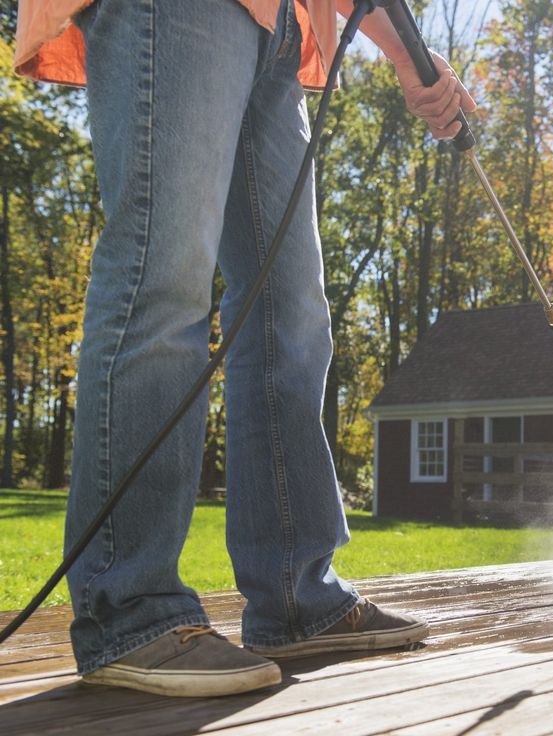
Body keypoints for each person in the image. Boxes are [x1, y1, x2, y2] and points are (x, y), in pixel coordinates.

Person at [13, 0, 476, 698]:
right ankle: (129, 610)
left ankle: (298, 596)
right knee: (163, 280)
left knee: (291, 316)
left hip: (284, 27)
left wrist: (410, 55)